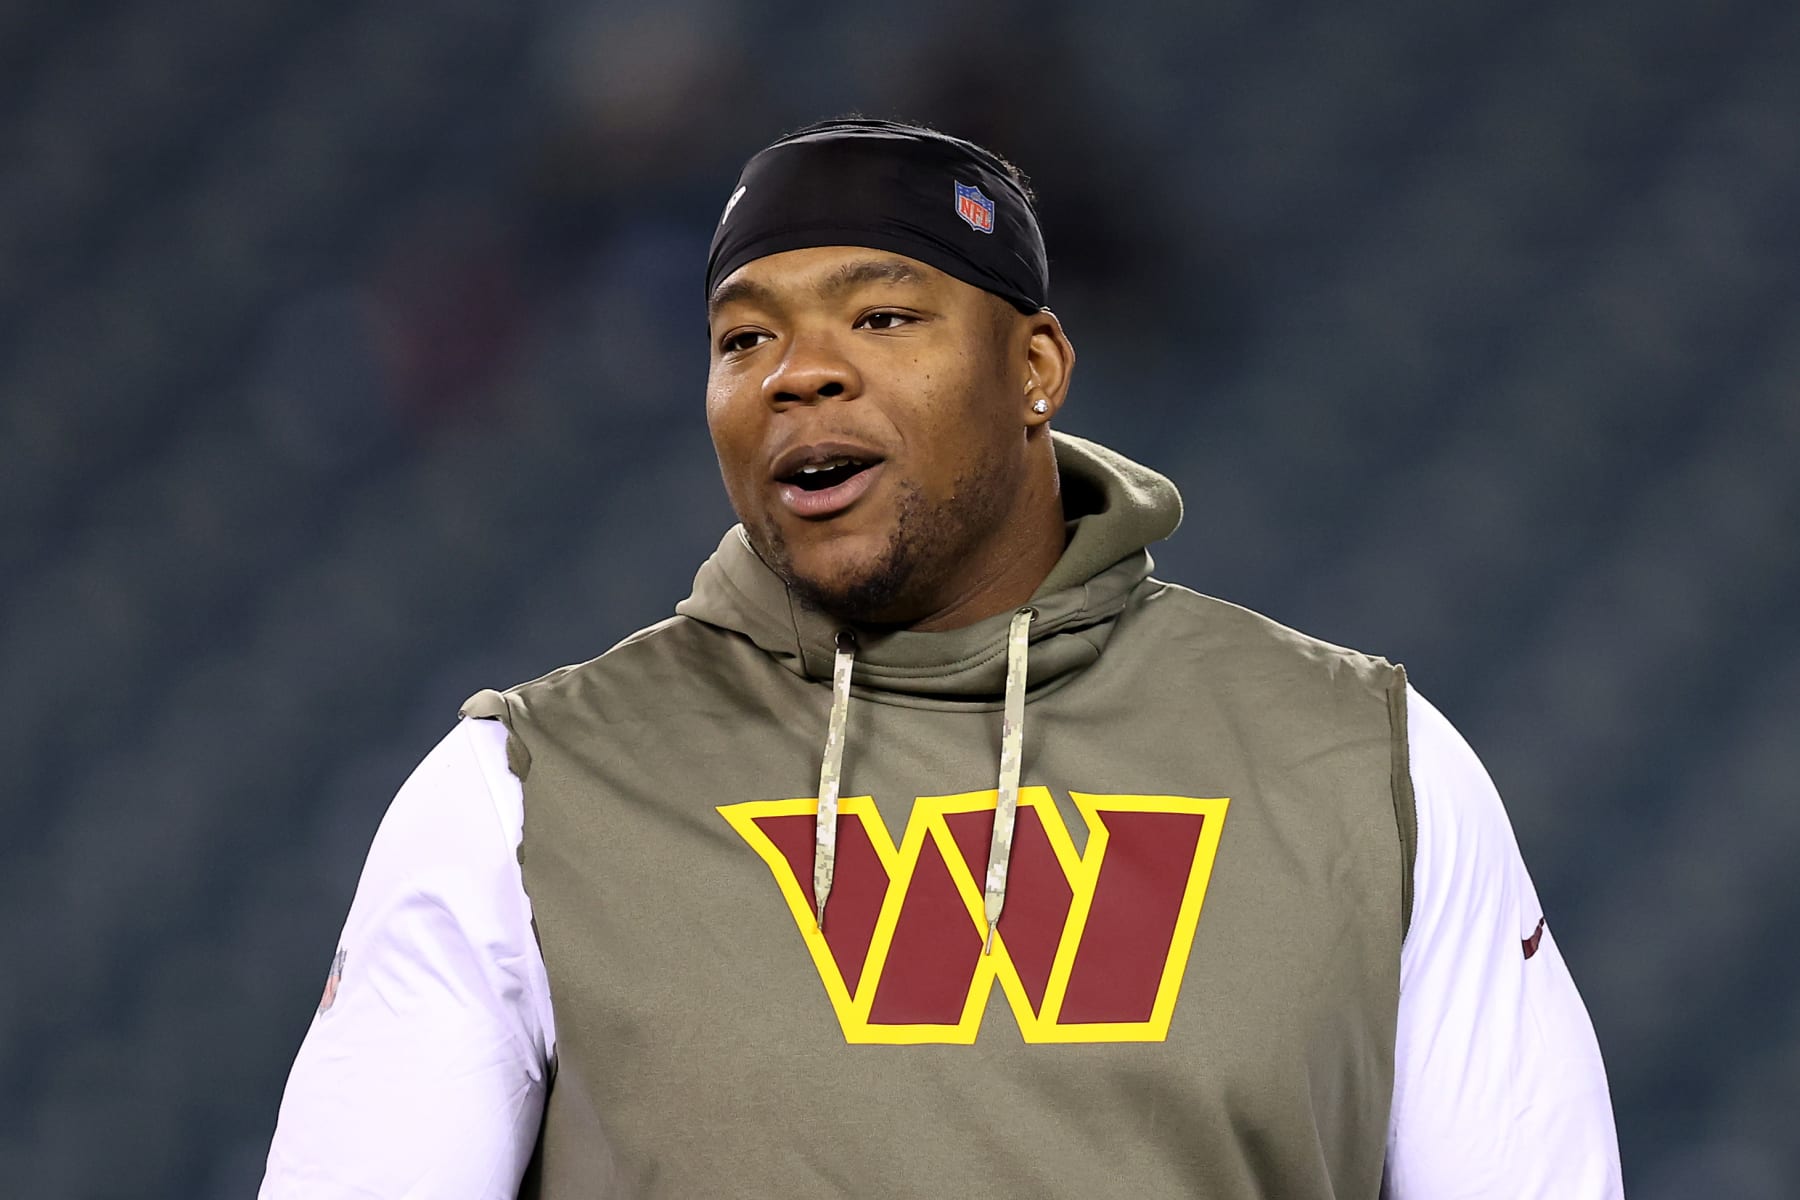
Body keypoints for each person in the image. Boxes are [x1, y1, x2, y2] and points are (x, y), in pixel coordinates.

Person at [260, 118, 1624, 1198]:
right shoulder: (519, 797)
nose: (799, 371)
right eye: (746, 337)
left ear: (1036, 366)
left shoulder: (1365, 769)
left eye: (883, 317)